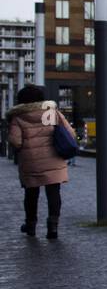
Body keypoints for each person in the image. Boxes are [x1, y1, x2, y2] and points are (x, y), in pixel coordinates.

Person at [6, 84, 76, 240]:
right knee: (54, 193)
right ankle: (53, 226)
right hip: (54, 160)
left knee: (31, 194)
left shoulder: (18, 117)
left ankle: (30, 225)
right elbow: (70, 133)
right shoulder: (51, 113)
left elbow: (16, 142)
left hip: (31, 161)